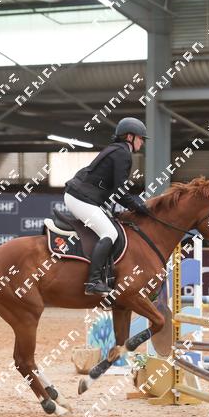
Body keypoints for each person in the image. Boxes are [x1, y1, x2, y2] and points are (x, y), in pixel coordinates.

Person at [64, 117, 149, 295]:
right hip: (80, 198)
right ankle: (93, 282)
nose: (142, 142)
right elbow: (120, 191)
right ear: (130, 137)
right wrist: (138, 207)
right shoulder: (123, 153)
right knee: (109, 232)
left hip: (83, 197)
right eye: (141, 138)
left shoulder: (117, 150)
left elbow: (114, 191)